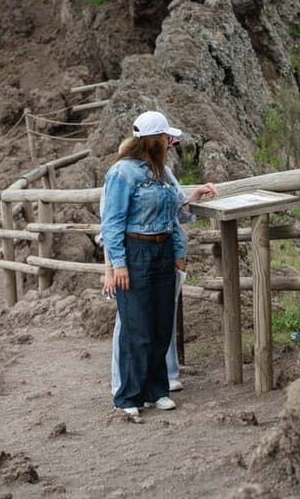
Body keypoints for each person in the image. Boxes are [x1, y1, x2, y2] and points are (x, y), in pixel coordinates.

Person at [100, 110, 214, 417]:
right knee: (137, 326)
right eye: (166, 137)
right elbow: (112, 222)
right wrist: (118, 264)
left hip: (162, 250)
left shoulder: (161, 173)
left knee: (162, 323)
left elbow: (174, 214)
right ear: (154, 140)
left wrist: (194, 196)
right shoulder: (122, 173)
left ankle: (157, 389)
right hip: (135, 251)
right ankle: (128, 396)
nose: (169, 142)